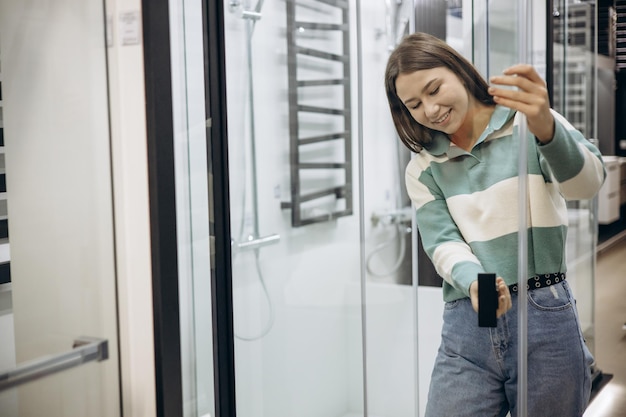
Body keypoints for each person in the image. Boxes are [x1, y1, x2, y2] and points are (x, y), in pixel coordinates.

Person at [384, 32, 606, 416]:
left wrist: (545, 128)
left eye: (435, 89)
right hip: (466, 323)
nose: (431, 109)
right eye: (414, 105)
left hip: (545, 314)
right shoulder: (422, 168)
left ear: (460, 71)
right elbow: (441, 242)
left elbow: (586, 185)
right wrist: (474, 280)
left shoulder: (529, 122)